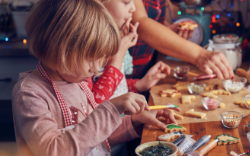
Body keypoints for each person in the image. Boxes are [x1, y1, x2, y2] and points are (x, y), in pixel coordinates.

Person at [12, 0, 179, 155]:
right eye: (92, 58)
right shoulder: (30, 94)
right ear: (63, 50)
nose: (97, 68)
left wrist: (136, 122)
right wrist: (110, 109)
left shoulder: (77, 82)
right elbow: (53, 150)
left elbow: (94, 136)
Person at [127, 0, 235, 80]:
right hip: (125, 70)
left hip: (146, 70)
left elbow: (152, 19)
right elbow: (139, 24)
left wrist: (167, 32)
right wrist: (200, 54)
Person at [89, 0, 171, 104]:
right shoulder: (88, 52)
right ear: (100, 2)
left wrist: (141, 84)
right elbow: (93, 104)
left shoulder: (115, 42)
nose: (134, 8)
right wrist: (117, 59)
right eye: (127, 2)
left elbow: (116, 89)